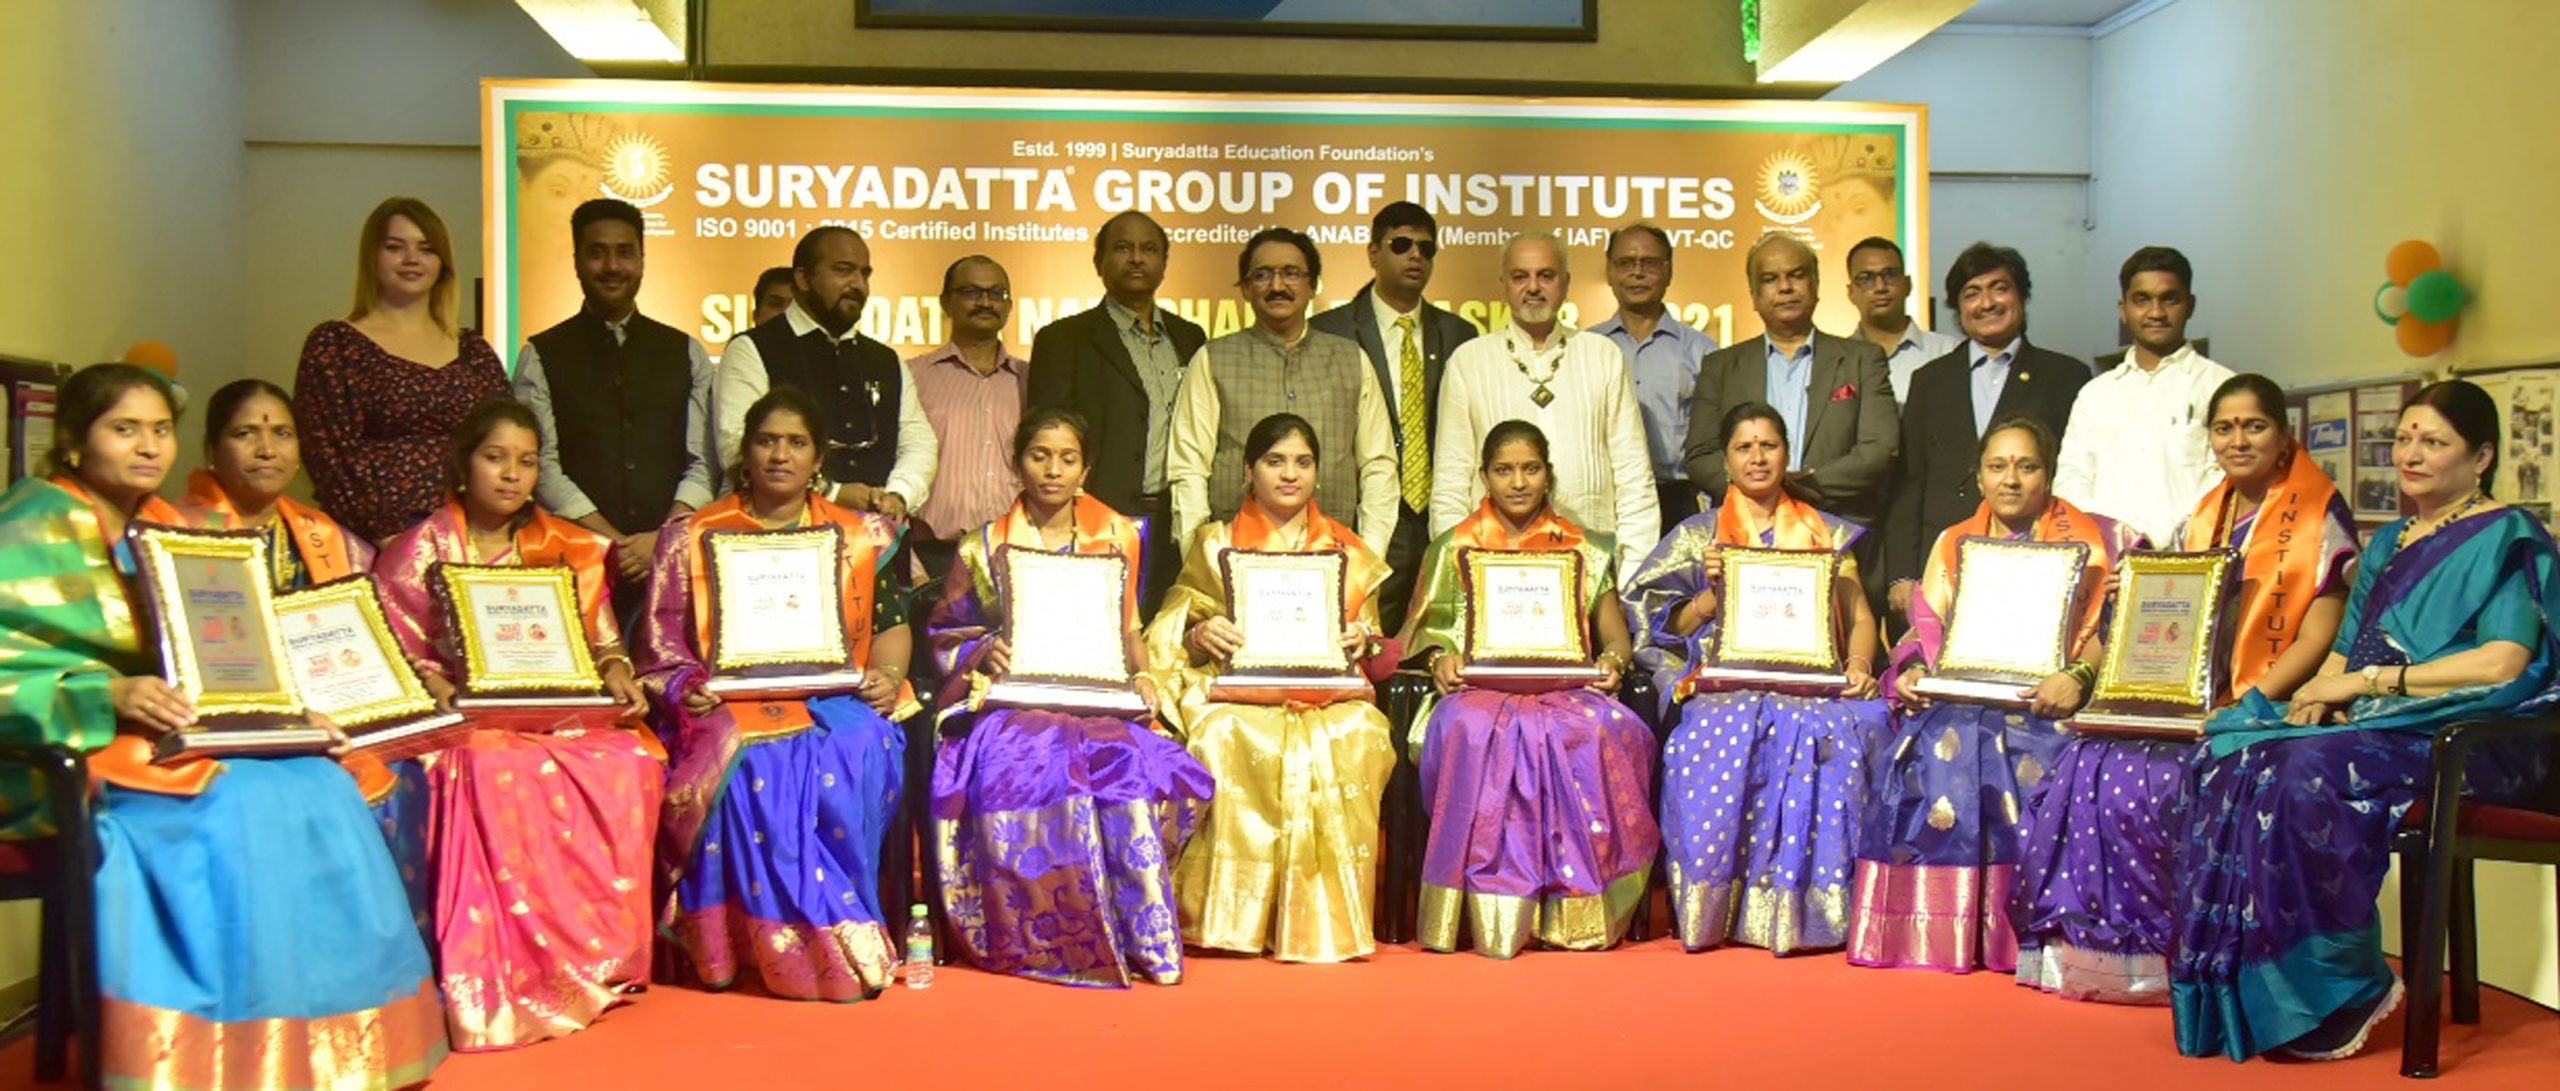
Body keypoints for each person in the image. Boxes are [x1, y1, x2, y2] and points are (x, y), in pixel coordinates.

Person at [0, 364, 445, 1086]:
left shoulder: (171, 524)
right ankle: (203, 1055)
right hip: (60, 748)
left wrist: (286, 712)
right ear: (74, 441)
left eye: (159, 429)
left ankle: (324, 1049)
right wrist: (106, 692)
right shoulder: (30, 522)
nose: (148, 446)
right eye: (124, 429)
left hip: (169, 733)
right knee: (233, 801)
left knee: (319, 785)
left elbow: (226, 651)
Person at [2172, 380, 2558, 1062]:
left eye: (2433, 442)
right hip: (2380, 726)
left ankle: (2342, 987)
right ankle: (2246, 986)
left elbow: (2503, 661)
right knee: (2234, 751)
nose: (2411, 454)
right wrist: (2313, 697)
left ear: (2481, 457)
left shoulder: (2509, 535)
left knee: (2304, 769)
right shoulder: (2387, 544)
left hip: (2469, 735)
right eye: (2404, 438)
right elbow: (2344, 653)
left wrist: (2372, 683)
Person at [2014, 374, 2359, 1005]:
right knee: (2089, 760)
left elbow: (2318, 634)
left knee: (2167, 777)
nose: (2238, 441)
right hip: (2191, 702)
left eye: (2254, 426)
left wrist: (2248, 706)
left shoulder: (2319, 515)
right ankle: (2113, 959)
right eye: (2224, 429)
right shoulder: (2202, 517)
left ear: (2284, 435)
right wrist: (2132, 595)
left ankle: (2194, 959)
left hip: (2269, 705)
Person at [372, 398, 663, 1050]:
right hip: (464, 720)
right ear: (463, 464)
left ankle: (596, 957)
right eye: (495, 458)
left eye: (526, 462)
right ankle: (504, 966)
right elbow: (400, 652)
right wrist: (441, 686)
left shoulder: (567, 546)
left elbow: (604, 642)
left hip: (557, 711)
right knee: (491, 764)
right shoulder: (416, 551)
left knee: (632, 760)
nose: (511, 474)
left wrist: (618, 670)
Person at [640, 386, 917, 1002]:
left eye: (796, 443)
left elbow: (892, 625)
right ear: (746, 451)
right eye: (766, 441)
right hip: (730, 702)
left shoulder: (858, 535)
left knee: (859, 745)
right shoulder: (693, 534)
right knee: (754, 761)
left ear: (818, 458)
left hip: (835, 695)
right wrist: (686, 685)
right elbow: (661, 644)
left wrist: (887, 675)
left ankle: (845, 931)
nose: (780, 455)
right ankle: (739, 944)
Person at [925, 407, 1213, 986]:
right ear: (1018, 463)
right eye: (1039, 456)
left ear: (1086, 469)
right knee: (1028, 758)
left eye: (1067, 459)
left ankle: (1134, 933)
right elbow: (946, 635)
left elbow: (1129, 628)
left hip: (1098, 696)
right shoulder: (983, 545)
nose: (1052, 470)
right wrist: (983, 652)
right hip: (1013, 702)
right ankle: (1040, 938)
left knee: (1130, 760)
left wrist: (1143, 676)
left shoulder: (1118, 536)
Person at [1850, 417, 2117, 974]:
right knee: (1929, 753)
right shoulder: (1954, 542)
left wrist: (2077, 678)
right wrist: (1913, 669)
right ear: (1979, 477)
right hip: (1962, 696)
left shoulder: (2093, 544)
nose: (2011, 479)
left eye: (2027, 466)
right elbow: (1923, 628)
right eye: (1997, 467)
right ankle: (1939, 932)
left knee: (2033, 754)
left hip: (2048, 699)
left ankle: (2022, 934)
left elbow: (2109, 634)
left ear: (2049, 475)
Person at [1624, 402, 1888, 954]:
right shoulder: (1697, 536)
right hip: (1726, 684)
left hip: (1814, 683)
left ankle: (1815, 910)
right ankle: (1713, 908)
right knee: (1710, 734)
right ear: (1725, 461)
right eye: (1744, 447)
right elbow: (1659, 626)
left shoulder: (1826, 532)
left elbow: (1860, 617)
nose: (1757, 457)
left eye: (1768, 445)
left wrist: (1860, 666)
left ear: (1787, 454)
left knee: (1852, 729)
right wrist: (1709, 598)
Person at [1401, 419, 1660, 957]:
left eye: (1530, 469)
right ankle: (1485, 914)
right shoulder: (1454, 547)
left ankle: (1577, 912)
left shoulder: (1584, 547)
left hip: (1566, 691)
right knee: (1477, 730)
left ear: (1548, 474)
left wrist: (1612, 661)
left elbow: (1616, 636)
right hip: (1476, 694)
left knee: (1601, 730)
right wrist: (1439, 658)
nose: (1518, 482)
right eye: (1504, 470)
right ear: (1483, 476)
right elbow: (1421, 633)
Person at [1147, 412, 1398, 963]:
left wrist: (1363, 639)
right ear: (1248, 470)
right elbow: (1171, 626)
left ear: (1318, 472)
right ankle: (1231, 919)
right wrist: (1199, 633)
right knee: (1221, 734)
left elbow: (1377, 641)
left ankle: (1326, 922)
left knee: (1359, 735)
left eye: (1303, 462)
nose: (1290, 474)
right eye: (1275, 461)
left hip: (1330, 697)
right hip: (1239, 694)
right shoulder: (1214, 543)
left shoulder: (1348, 552)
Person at [512, 197, 718, 620]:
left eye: (625, 252)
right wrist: (614, 544)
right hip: (574, 562)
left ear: (642, 261)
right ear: (576, 262)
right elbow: (541, 464)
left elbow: (704, 461)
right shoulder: (540, 354)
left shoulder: (686, 352)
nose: (612, 266)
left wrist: (661, 540)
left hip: (673, 566)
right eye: (597, 253)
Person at [1883, 243, 2090, 625]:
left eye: (1999, 288)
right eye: (1972, 293)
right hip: (1942, 563)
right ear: (1958, 308)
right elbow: (1908, 482)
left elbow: (2074, 476)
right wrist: (1901, 574)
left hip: (2034, 559)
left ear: (2021, 296)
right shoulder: (1930, 380)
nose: (1987, 303)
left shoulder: (2066, 377)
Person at [1433, 233, 1659, 580]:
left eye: (1546, 276)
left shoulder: (1602, 355)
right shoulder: (1469, 361)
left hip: (1593, 565)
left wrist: (1633, 573)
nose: (1533, 287)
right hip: (1494, 567)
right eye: (1520, 276)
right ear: (1504, 284)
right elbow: (1451, 481)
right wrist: (1460, 571)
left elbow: (1633, 474)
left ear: (1566, 283)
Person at [1168, 227, 1398, 557]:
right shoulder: (1213, 359)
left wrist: (1368, 556)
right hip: (1234, 559)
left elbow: (1378, 466)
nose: (1277, 286)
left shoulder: (1351, 359)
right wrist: (1201, 559)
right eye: (1263, 275)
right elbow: (1188, 467)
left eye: (1291, 273)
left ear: (1313, 285)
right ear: (1245, 288)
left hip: (1334, 557)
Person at [1025, 211, 1209, 613]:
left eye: (1149, 249)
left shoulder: (1190, 337)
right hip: (1097, 520)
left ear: (1164, 262)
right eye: (1123, 248)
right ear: (1099, 262)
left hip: (1177, 520)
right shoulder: (1063, 338)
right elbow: (1048, 434)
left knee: (1172, 633)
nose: (1137, 258)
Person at [296, 196, 509, 541]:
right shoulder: (336, 345)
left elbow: (508, 439)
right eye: (395, 247)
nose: (412, 259)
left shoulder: (474, 351)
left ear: (442, 263)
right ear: (372, 256)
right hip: (374, 540)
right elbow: (327, 454)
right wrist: (389, 541)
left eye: (427, 249)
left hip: (475, 534)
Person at [1310, 201, 1479, 635]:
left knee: (1438, 638)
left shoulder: (1460, 335)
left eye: (1426, 248)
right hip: (1363, 513)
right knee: (1361, 636)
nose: (1415, 255)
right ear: (1373, 253)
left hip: (1440, 513)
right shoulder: (1330, 330)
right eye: (1401, 245)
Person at [713, 226, 936, 523]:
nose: (858, 285)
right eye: (843, 271)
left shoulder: (886, 360)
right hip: (779, 534)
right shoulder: (752, 349)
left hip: (877, 536)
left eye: (865, 274)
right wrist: (831, 492)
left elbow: (919, 442)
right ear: (803, 279)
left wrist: (897, 495)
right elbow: (737, 446)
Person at [1683, 234, 1898, 528]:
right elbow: (1700, 455)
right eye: (1770, 279)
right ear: (1754, 295)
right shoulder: (1721, 367)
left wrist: (1802, 487)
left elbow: (1879, 449)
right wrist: (1759, 489)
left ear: (1816, 285)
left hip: (1840, 528)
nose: (1785, 287)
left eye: (1796, 275)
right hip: (1745, 530)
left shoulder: (1862, 360)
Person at [2053, 246, 2234, 546]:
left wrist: (2179, 544)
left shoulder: (2221, 387)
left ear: (2190, 305)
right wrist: (2107, 542)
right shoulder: (2096, 395)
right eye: (2142, 300)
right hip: (2109, 561)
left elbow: (2228, 481)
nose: (2156, 312)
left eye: (2169, 299)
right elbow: (2072, 479)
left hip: (2194, 558)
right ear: (2123, 309)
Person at [180, 378, 375, 591]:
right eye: (245, 433)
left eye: (282, 433)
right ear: (211, 452)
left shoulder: (333, 538)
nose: (267, 451)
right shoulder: (180, 532)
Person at [1590, 222, 1719, 538]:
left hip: (1678, 504)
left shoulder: (1702, 351)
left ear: (1669, 271)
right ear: (1609, 271)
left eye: (1649, 263)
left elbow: (1715, 444)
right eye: (1626, 263)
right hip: (1604, 504)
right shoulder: (1587, 347)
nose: (1637, 272)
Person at [907, 255, 1028, 581]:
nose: (985, 302)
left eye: (996, 293)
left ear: (1009, 305)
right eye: (971, 292)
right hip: (934, 560)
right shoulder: (912, 378)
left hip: (1016, 557)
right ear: (945, 302)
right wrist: (913, 570)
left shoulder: (1032, 380)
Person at [1843, 236, 1962, 407]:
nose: (1880, 287)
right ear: (1851, 293)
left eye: (1890, 275)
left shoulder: (1948, 352)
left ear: (1908, 285)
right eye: (1866, 278)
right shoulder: (1835, 362)